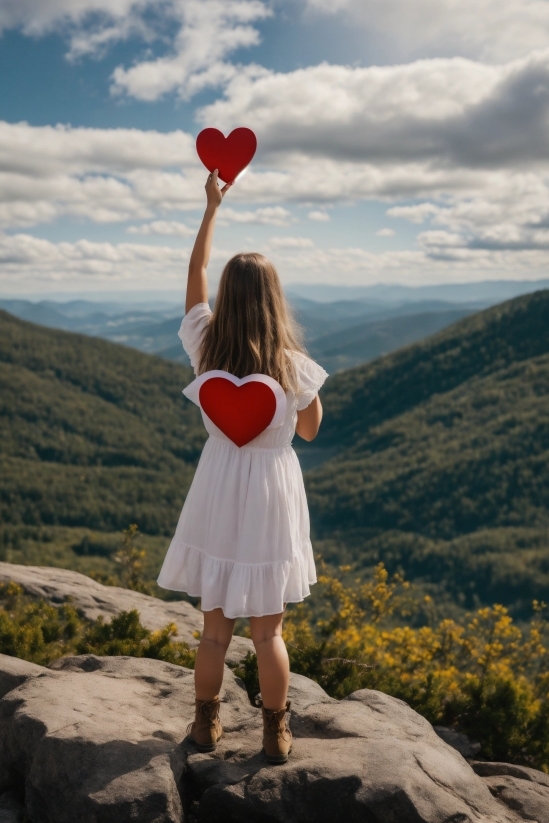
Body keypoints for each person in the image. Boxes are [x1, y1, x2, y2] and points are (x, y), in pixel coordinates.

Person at [157, 169, 328, 763]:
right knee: (268, 633)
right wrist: (299, 393)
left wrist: (210, 209)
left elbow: (194, 278)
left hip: (217, 489)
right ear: (275, 302)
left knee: (212, 632)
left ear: (227, 300)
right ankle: (276, 732)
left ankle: (205, 726)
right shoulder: (291, 365)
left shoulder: (205, 346)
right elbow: (308, 430)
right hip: (271, 492)